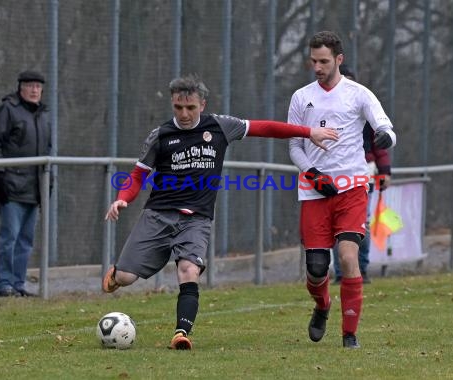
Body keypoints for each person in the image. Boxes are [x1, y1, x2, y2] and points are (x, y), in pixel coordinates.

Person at [102, 75, 339, 350]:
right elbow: (137, 175)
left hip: (196, 218)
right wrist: (121, 199)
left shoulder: (220, 127)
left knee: (188, 270)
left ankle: (181, 333)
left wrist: (308, 132)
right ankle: (117, 274)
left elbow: (265, 128)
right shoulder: (161, 135)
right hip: (158, 215)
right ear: (172, 104)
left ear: (202, 104)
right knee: (126, 278)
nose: (185, 114)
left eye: (190, 107)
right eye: (178, 107)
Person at [288, 31, 396, 349]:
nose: (317, 67)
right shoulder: (300, 97)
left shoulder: (359, 94)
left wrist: (385, 138)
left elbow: (386, 127)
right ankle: (322, 306)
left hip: (351, 189)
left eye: (323, 61)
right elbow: (294, 145)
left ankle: (349, 335)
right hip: (315, 192)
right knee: (317, 269)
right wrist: (312, 173)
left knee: (348, 258)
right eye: (313, 61)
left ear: (339, 59)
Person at [0, 70, 51, 297]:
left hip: (33, 189)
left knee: (26, 240)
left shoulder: (43, 114)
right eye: (30, 85)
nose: (34, 90)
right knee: (9, 238)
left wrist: (47, 181)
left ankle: (18, 284)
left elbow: (47, 150)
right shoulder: (7, 109)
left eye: (38, 86)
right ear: (20, 88)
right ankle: (3, 285)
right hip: (11, 187)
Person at [332, 65, 392, 285]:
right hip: (334, 173)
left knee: (361, 223)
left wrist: (384, 171)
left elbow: (381, 141)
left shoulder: (364, 108)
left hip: (363, 171)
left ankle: (361, 269)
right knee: (337, 225)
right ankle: (340, 272)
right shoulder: (324, 110)